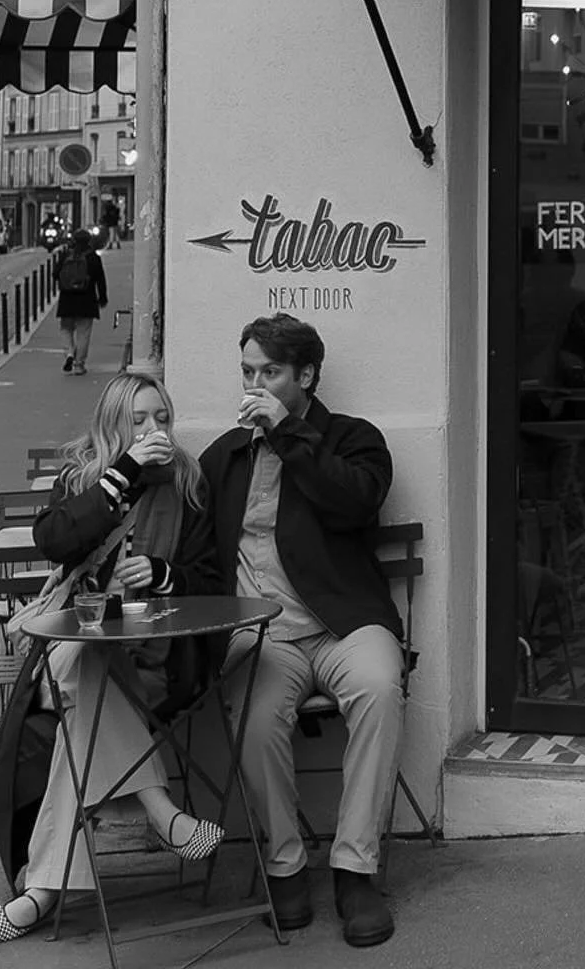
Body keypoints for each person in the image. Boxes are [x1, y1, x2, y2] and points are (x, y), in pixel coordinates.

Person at [0, 371, 222, 943]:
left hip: (156, 660)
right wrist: (125, 472)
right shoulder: (86, 479)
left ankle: (41, 892)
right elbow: (56, 541)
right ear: (113, 426)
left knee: (78, 684)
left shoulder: (187, 483)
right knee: (83, 667)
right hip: (80, 652)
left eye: (161, 418)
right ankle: (165, 813)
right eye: (137, 421)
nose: (154, 429)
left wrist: (165, 575)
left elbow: (210, 579)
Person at [201, 314, 404, 950]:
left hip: (345, 625)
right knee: (257, 721)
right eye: (247, 372)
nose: (254, 384)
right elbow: (201, 555)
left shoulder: (352, 440)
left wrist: (290, 434)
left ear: (307, 376)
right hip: (265, 636)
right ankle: (285, 865)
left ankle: (354, 869)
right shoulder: (225, 457)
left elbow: (352, 502)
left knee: (379, 688)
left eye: (270, 372)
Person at [55, 229, 106, 376]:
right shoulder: (93, 258)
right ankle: (79, 364)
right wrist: (102, 298)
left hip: (67, 300)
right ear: (89, 241)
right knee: (83, 333)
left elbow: (55, 273)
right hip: (87, 300)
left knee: (66, 329)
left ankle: (69, 353)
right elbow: (100, 280)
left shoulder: (66, 255)